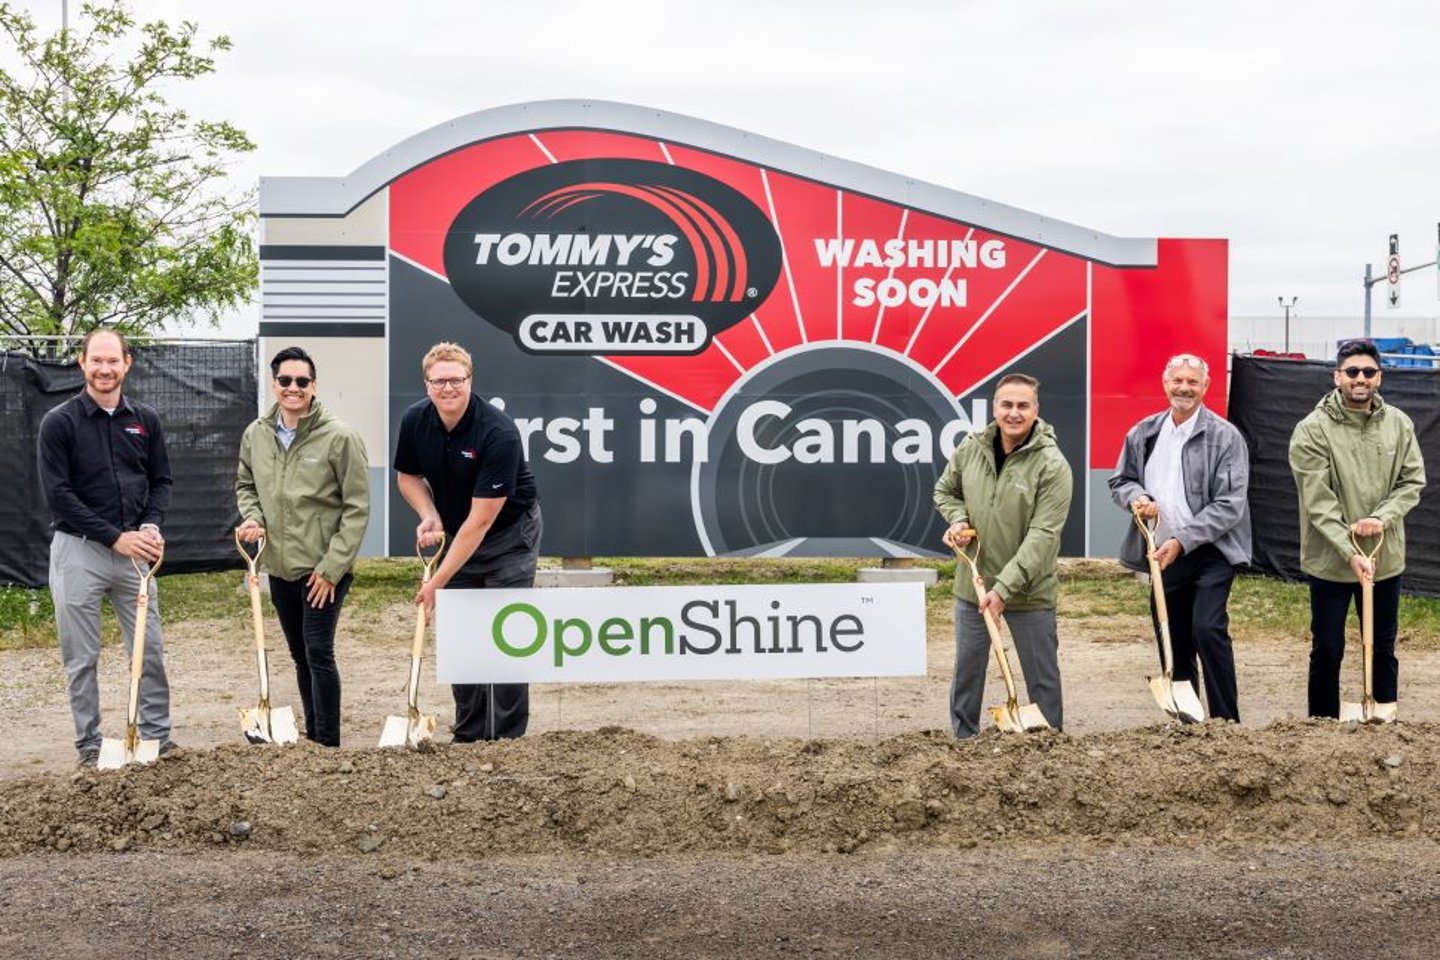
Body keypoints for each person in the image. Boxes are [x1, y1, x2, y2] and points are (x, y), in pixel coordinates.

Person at [38, 328, 175, 767]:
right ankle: (90, 747)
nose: (104, 369)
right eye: (96, 360)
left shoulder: (145, 420)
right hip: (79, 553)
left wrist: (150, 525)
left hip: (136, 554)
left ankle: (156, 739)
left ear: (126, 363)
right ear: (82, 363)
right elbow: (59, 495)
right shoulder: (59, 423)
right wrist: (115, 537)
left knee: (148, 649)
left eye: (112, 361)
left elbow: (161, 481)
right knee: (81, 656)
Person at [394, 341, 542, 742]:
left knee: (505, 630)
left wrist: (435, 584)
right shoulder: (414, 421)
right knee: (463, 634)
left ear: (469, 380)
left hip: (507, 536)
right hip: (458, 531)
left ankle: (508, 738)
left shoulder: (498, 431)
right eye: (439, 381)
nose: (448, 389)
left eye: (456, 380)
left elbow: (481, 523)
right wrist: (430, 514)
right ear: (426, 384)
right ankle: (470, 735)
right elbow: (407, 478)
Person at [235, 346, 370, 747]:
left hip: (322, 570)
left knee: (318, 652)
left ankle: (328, 743)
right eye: (285, 381)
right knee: (299, 655)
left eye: (302, 381)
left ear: (314, 386)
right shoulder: (256, 434)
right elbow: (246, 485)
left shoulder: (340, 438)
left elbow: (357, 508)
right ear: (274, 384)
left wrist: (332, 568)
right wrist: (254, 517)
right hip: (279, 566)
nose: (294, 388)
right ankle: (313, 734)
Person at [1108, 353, 1252, 722]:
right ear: (1165, 383)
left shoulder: (1225, 437)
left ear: (1205, 387)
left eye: (1192, 382)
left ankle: (1225, 723)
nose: (1184, 388)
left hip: (1212, 549)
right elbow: (1121, 481)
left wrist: (1183, 541)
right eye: (1178, 381)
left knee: (1207, 628)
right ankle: (1190, 722)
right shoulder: (1144, 432)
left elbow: (1229, 504)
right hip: (1161, 550)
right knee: (1171, 637)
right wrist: (1136, 498)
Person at [1288, 340, 1425, 718]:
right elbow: (1318, 500)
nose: (1359, 379)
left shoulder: (1399, 424)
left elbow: (1412, 482)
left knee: (1382, 647)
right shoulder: (1312, 429)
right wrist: (1349, 551)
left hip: (1384, 558)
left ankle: (1382, 720)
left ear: (1379, 377)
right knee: (1328, 648)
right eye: (1351, 372)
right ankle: (1320, 726)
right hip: (1331, 561)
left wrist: (1382, 519)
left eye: (1367, 372)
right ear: (1337, 377)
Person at [933, 373, 1072, 738]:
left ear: (1036, 410)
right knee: (967, 672)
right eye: (1006, 405)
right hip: (973, 587)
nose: (1014, 413)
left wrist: (1005, 588)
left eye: (1022, 406)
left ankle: (1049, 747)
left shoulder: (1052, 465)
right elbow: (945, 490)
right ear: (994, 408)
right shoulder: (971, 449)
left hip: (1029, 592)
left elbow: (1043, 536)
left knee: (1041, 678)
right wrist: (959, 519)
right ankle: (964, 744)